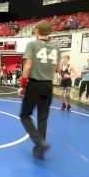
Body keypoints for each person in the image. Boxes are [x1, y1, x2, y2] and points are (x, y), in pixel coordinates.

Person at [18, 20, 61, 160]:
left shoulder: (32, 44)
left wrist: (22, 85)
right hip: (48, 86)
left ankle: (39, 142)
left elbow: (28, 66)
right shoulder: (56, 47)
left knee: (25, 115)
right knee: (43, 118)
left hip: (35, 85)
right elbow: (57, 69)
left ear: (36, 30)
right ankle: (40, 151)